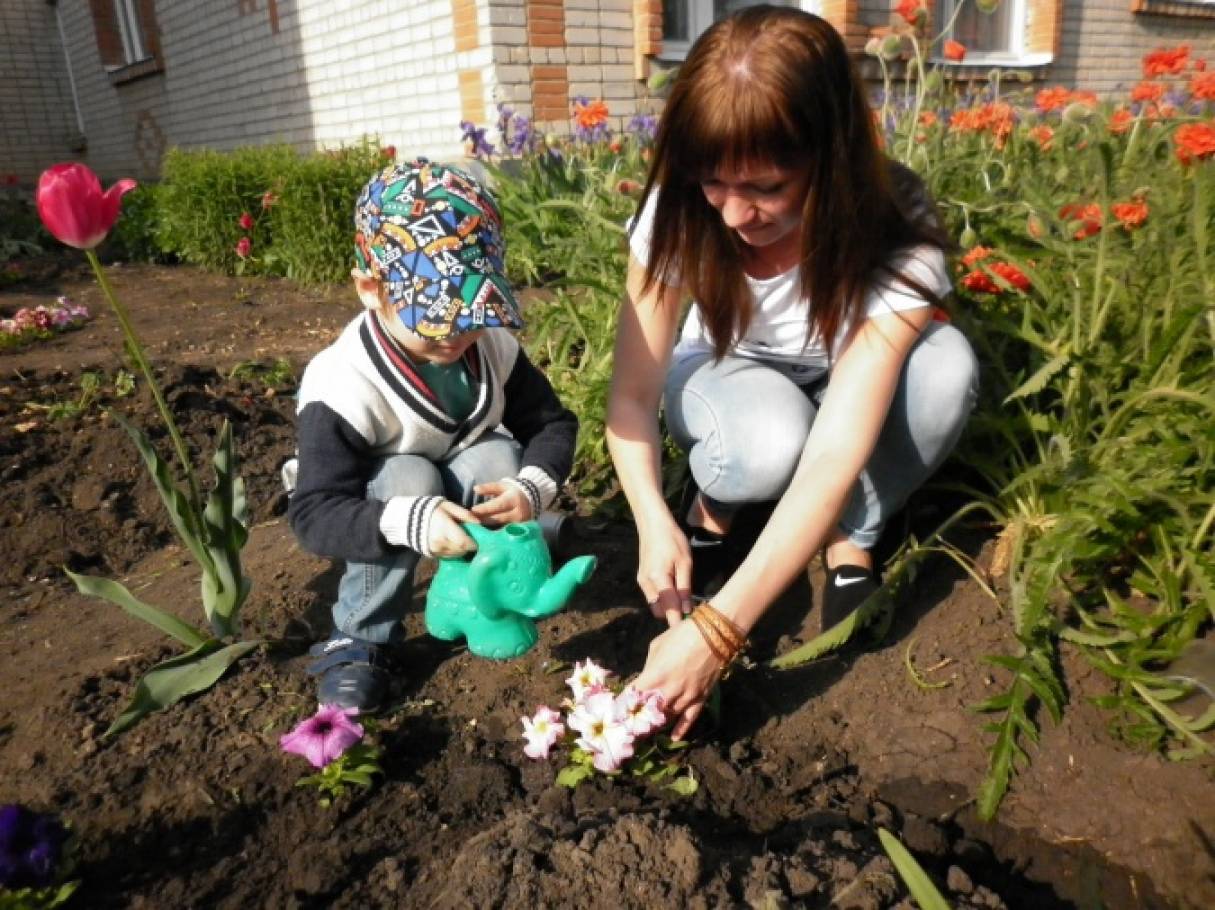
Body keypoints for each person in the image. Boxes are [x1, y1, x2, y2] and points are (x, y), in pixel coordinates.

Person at [606, 6, 979, 739]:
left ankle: (854, 534)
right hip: (727, 374)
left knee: (945, 369)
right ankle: (709, 508)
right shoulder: (678, 212)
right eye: (713, 182)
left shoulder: (897, 229)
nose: (735, 214)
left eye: (767, 188)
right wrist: (650, 520)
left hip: (844, 388)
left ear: (830, 156)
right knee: (768, 444)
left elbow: (837, 445)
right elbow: (632, 392)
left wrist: (717, 635)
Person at [289, 159, 578, 712]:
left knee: (498, 460)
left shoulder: (487, 345)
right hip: (383, 494)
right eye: (435, 317)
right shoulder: (343, 385)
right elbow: (314, 513)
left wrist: (530, 489)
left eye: (470, 311)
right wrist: (411, 520)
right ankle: (361, 637)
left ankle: (489, 597)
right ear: (371, 288)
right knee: (406, 477)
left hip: (461, 465)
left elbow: (551, 423)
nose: (457, 333)